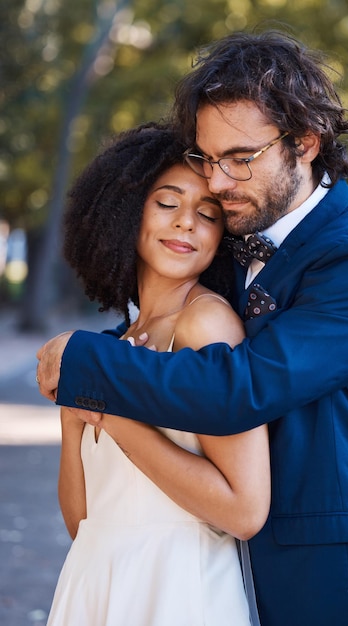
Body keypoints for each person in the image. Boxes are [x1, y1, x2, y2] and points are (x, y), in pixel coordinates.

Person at [37, 30, 348, 626]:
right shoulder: (235, 245)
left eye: (239, 159)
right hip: (212, 577)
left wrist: (91, 369)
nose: (216, 183)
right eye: (206, 159)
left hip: (328, 585)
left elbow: (242, 387)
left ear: (306, 142)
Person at [45, 122, 270, 626]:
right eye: (167, 203)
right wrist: (74, 418)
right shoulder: (120, 342)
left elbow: (244, 510)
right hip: (96, 583)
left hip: (178, 589)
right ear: (126, 213)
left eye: (207, 213)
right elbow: (85, 523)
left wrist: (111, 415)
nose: (186, 223)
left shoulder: (207, 323)